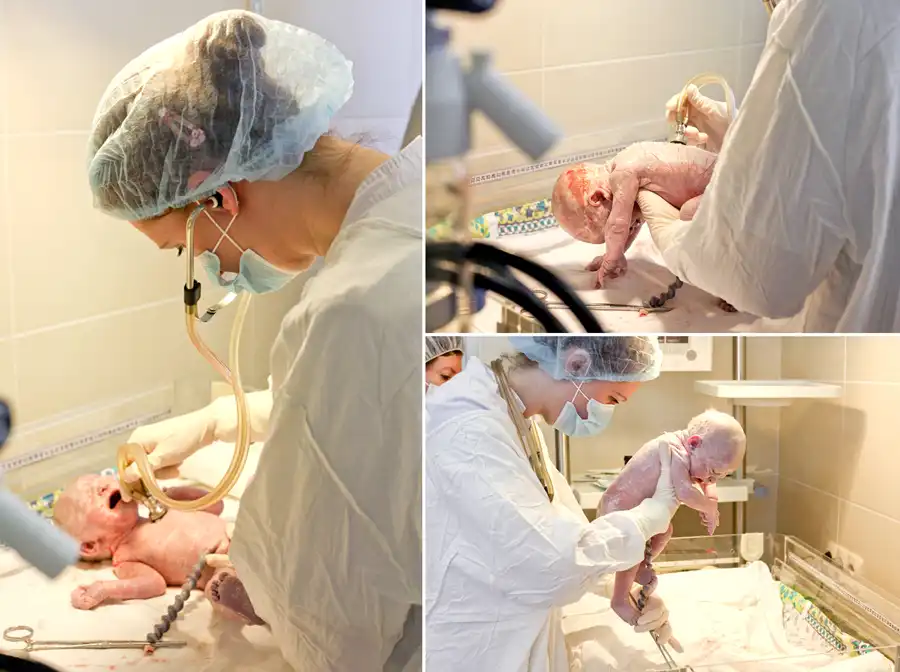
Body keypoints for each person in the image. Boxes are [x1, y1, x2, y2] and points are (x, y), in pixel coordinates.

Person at [87, 11, 422, 671]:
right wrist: (220, 421)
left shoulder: (352, 307)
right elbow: (385, 411)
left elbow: (331, 614)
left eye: (184, 250)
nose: (207, 269)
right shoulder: (421, 196)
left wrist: (260, 578)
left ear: (218, 200)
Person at [637, 0, 900, 333]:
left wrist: (668, 233)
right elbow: (865, 147)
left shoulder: (825, 10)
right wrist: (753, 142)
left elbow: (759, 277)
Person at [425, 335, 681, 671]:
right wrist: (649, 517)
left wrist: (618, 586)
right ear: (576, 364)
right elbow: (552, 564)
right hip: (477, 651)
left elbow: (560, 528)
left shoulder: (513, 415)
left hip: (511, 638)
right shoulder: (471, 429)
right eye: (612, 399)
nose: (604, 414)